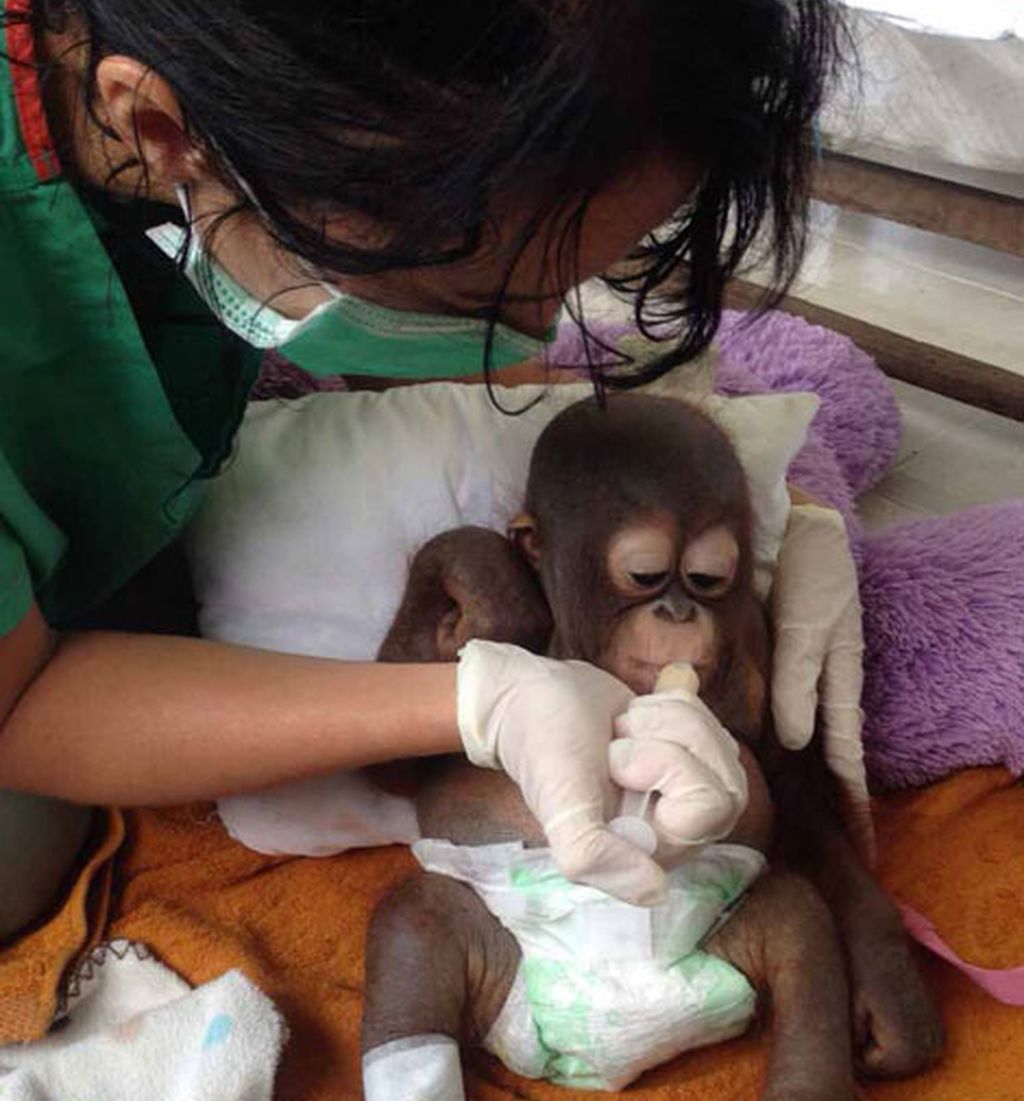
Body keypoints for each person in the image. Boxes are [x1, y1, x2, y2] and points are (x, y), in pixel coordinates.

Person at [0, 0, 864, 948]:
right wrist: (482, 700)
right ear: (164, 132)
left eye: (558, 288)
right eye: (471, 296)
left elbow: (420, 323)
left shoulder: (251, 140)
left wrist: (753, 490)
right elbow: (24, 704)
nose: (531, 340)